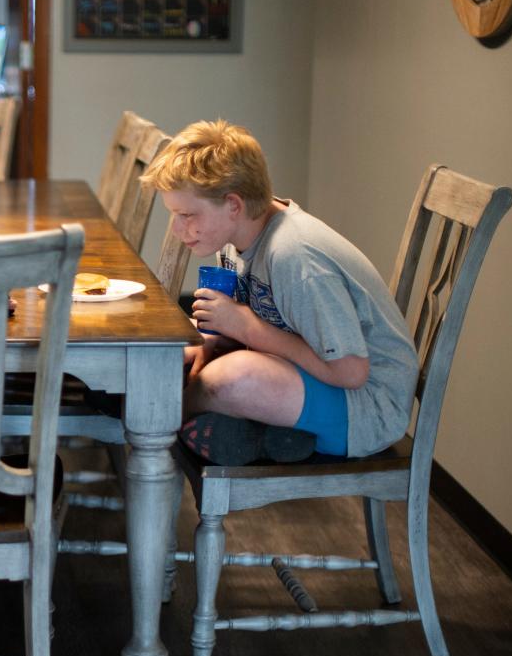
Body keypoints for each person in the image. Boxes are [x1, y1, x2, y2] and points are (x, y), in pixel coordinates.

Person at [139, 119, 418, 466]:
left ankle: (159, 418)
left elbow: (350, 372)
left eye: (186, 215)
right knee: (177, 356)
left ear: (234, 205)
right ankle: (270, 436)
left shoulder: (295, 258)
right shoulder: (234, 239)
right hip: (311, 380)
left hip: (364, 407)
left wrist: (244, 327)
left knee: (233, 378)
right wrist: (210, 341)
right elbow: (248, 324)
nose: (178, 229)